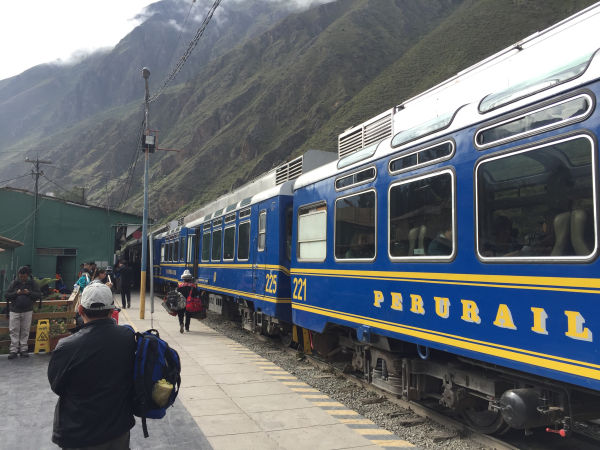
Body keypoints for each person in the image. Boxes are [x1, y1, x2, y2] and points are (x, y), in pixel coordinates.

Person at [48, 282, 136, 449]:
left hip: (79, 432)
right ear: (112, 311)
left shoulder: (66, 346)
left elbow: (57, 386)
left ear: (80, 310)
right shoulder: (127, 337)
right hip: (118, 428)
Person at [5, 266, 41, 359]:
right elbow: (7, 295)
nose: (22, 278)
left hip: (27, 310)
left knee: (25, 330)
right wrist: (16, 293)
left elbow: (38, 295)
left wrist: (28, 293)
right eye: (21, 276)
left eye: (24, 276)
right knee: (13, 330)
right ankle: (13, 350)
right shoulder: (14, 283)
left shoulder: (32, 283)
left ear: (27, 275)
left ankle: (23, 350)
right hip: (14, 310)